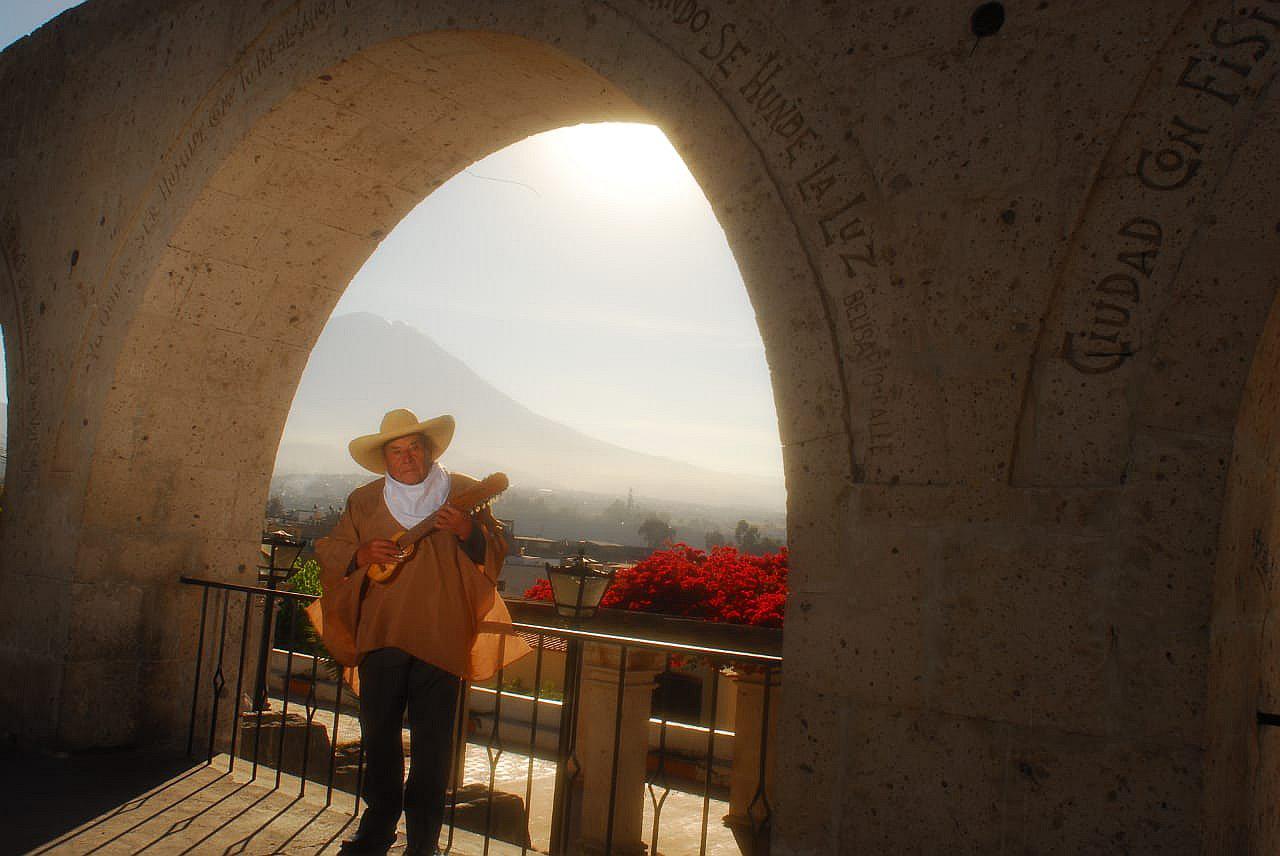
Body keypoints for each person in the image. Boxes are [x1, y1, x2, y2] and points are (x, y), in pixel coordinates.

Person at [313, 408, 529, 855]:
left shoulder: (467, 492)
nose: (406, 457)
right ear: (385, 459)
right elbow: (331, 549)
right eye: (397, 451)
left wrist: (468, 530)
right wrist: (359, 553)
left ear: (429, 451)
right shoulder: (364, 500)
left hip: (442, 634)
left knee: (433, 745)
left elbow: (496, 548)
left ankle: (424, 841)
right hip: (381, 633)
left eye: (414, 448)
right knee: (379, 736)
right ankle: (376, 829)